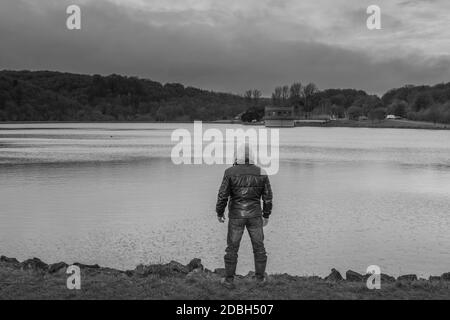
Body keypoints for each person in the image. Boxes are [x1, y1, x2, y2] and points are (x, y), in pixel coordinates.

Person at [215, 143, 273, 288]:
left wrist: (220, 212)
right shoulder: (262, 172)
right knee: (259, 247)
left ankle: (229, 281)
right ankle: (259, 279)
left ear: (237, 156)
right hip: (255, 215)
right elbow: (268, 197)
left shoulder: (230, 172)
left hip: (236, 215)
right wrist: (266, 215)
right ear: (252, 157)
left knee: (232, 248)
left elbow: (223, 195)